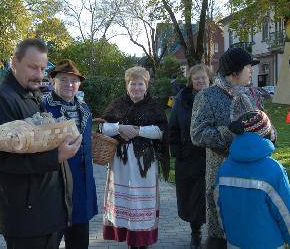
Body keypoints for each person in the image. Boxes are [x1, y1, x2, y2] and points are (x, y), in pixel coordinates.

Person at [0, 39, 82, 249]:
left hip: (44, 212)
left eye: (43, 68)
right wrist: (57, 156)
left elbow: (36, 141)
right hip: (26, 218)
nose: (39, 74)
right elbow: (3, 161)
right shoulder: (1, 99)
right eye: (32, 67)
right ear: (14, 63)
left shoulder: (30, 94)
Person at [190, 47, 265, 249]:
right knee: (221, 234)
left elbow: (265, 127)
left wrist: (269, 133)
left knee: (250, 231)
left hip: (253, 176)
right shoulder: (207, 96)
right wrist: (229, 133)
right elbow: (197, 134)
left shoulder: (254, 95)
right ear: (235, 72)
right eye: (249, 67)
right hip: (221, 177)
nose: (251, 71)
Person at [101, 66, 170, 249]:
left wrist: (138, 131)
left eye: (140, 84)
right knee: (124, 202)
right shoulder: (117, 104)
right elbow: (102, 127)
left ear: (146, 85)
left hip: (144, 163)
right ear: (127, 85)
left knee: (140, 202)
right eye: (133, 83)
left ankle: (142, 242)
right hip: (120, 162)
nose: (136, 87)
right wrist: (119, 128)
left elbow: (161, 131)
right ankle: (129, 238)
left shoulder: (154, 106)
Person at [216, 110, 290, 249]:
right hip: (269, 244)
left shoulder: (224, 168)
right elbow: (286, 212)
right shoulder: (273, 169)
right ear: (267, 134)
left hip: (234, 242)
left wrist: (228, 234)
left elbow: (220, 206)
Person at [44, 59, 98, 249]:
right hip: (55, 188)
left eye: (74, 81)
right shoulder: (42, 107)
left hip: (82, 188)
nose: (69, 84)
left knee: (79, 243)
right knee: (49, 242)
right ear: (53, 81)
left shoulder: (84, 109)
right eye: (64, 79)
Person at [168, 64, 210, 249]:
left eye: (203, 78)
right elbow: (173, 127)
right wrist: (177, 151)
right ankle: (196, 233)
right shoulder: (182, 99)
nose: (200, 81)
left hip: (213, 155)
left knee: (213, 196)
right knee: (193, 197)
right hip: (189, 156)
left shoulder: (216, 97)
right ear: (191, 81)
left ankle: (217, 234)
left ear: (210, 79)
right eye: (196, 78)